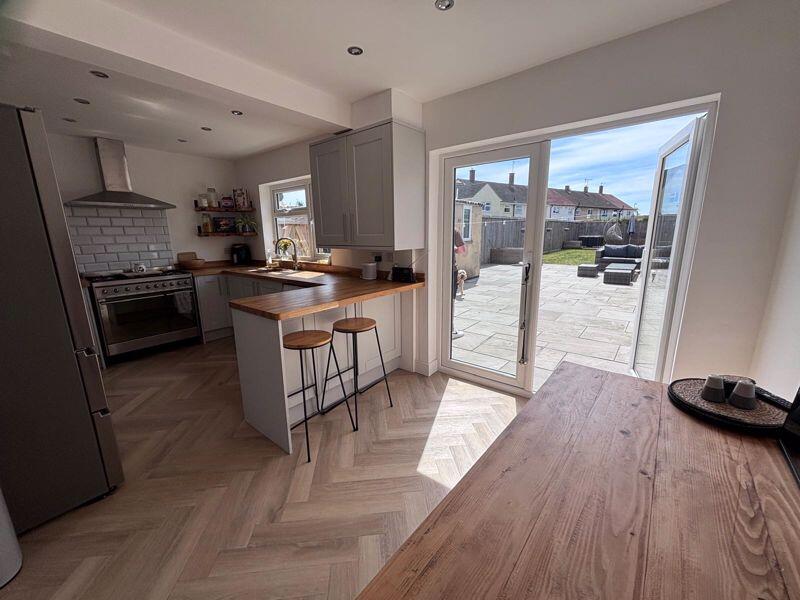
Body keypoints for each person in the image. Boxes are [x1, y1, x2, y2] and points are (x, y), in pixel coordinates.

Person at [452, 228, 467, 340]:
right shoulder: (454, 231)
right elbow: (462, 250)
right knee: (450, 300)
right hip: (451, 270)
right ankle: (451, 329)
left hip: (434, 269)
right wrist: (455, 249)